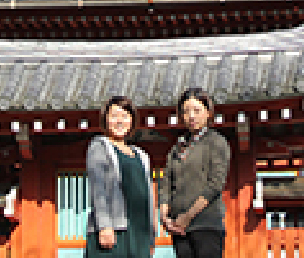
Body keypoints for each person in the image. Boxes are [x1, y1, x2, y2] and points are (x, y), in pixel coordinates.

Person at [158, 88, 230, 258]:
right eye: (186, 111)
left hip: (206, 224)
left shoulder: (216, 142)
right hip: (179, 228)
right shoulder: (178, 147)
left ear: (208, 113)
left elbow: (215, 184)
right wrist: (164, 217)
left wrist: (188, 216)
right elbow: (166, 183)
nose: (191, 116)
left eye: (197, 110)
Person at [86, 96, 155, 258]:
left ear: (131, 121)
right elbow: (98, 189)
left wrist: (151, 235)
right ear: (106, 119)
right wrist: (104, 226)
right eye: (114, 116)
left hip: (139, 230)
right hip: (114, 229)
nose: (119, 121)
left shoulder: (142, 155)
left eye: (125, 116)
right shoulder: (100, 146)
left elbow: (149, 193)